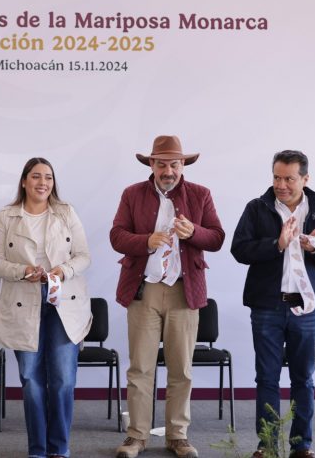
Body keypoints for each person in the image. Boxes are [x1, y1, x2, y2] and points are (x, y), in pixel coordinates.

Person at [110, 136, 224, 458]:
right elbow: (116, 235)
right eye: (161, 164)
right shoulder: (132, 194)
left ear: (183, 165)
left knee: (181, 370)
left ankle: (177, 436)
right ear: (151, 164)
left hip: (184, 293)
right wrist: (146, 241)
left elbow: (216, 237)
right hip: (143, 291)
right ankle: (136, 437)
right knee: (140, 369)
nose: (168, 170)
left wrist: (194, 234)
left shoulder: (201, 195)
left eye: (174, 164)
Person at [231, 150, 315, 458]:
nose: (281, 184)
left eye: (289, 178)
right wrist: (277, 244)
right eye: (276, 177)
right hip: (267, 307)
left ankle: (301, 446)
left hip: (307, 310)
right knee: (267, 377)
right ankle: (267, 446)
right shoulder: (257, 208)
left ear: (305, 179)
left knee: (303, 379)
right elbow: (239, 250)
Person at [0, 157, 91, 458]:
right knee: (31, 379)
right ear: (24, 181)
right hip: (23, 301)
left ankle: (59, 449)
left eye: (48, 177)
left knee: (62, 379)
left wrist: (64, 270)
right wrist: (22, 271)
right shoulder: (6, 216)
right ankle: (37, 449)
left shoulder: (65, 212)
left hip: (65, 303)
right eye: (35, 176)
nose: (42, 182)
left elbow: (84, 256)